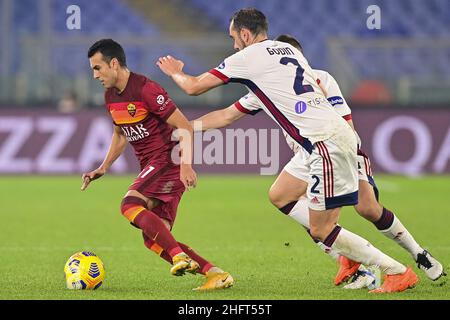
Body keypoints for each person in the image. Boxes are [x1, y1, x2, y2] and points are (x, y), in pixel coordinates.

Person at [157, 8, 418, 293]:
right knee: (280, 194)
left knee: (322, 229)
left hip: (323, 143)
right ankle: (347, 255)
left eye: (234, 37)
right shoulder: (286, 51)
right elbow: (226, 116)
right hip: (324, 140)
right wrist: (185, 127)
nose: (233, 45)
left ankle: (395, 271)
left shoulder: (247, 57)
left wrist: (177, 73)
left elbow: (193, 87)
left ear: (245, 34)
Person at [268, 34, 444, 286]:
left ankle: (417, 253)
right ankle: (352, 265)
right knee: (299, 206)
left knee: (368, 208)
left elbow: (344, 122)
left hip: (340, 150)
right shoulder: (271, 88)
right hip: (309, 158)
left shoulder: (321, 78)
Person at [82, 39, 233, 291]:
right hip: (153, 166)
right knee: (153, 240)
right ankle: (216, 274)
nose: (94, 75)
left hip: (167, 160)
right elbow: (120, 134)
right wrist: (104, 166)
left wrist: (186, 165)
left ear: (114, 64)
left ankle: (179, 256)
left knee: (129, 204)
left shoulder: (146, 89)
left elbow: (184, 126)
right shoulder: (110, 96)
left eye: (97, 68)